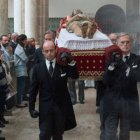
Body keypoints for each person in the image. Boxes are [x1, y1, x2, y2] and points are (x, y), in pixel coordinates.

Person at [29, 41, 79, 140]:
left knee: (58, 135)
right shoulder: (37, 69)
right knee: (44, 134)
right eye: (46, 51)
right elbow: (33, 90)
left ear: (56, 50)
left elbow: (75, 76)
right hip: (45, 108)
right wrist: (31, 108)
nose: (49, 53)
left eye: (51, 50)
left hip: (60, 107)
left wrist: (71, 61)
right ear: (43, 52)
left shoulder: (63, 66)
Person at [100, 32, 140, 140]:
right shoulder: (110, 59)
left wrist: (125, 66)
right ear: (117, 44)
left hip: (128, 102)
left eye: (127, 42)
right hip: (112, 102)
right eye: (122, 42)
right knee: (110, 134)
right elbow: (105, 81)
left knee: (125, 134)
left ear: (131, 44)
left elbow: (137, 77)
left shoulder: (137, 59)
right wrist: (112, 66)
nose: (125, 44)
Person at [14, 34, 28, 108]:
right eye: (25, 40)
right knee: (20, 86)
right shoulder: (19, 48)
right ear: (22, 40)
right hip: (20, 69)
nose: (26, 41)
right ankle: (19, 102)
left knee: (21, 86)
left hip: (21, 69)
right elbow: (25, 59)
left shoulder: (20, 47)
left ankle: (20, 101)